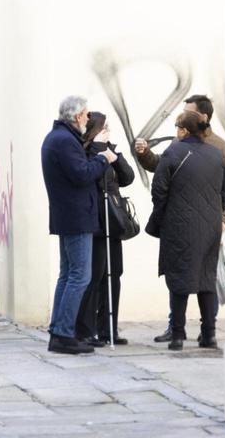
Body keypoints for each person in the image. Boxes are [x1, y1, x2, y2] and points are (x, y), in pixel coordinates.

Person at [135, 93, 225, 343]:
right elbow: (224, 190)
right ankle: (209, 335)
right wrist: (221, 217)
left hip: (179, 224)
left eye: (177, 126)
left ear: (184, 130)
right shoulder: (217, 154)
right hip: (210, 227)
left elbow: (159, 188)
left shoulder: (174, 152)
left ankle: (177, 334)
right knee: (207, 279)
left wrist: (162, 213)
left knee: (179, 278)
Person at [41, 95, 115, 355]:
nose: (87, 119)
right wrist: (103, 158)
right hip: (76, 216)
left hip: (68, 215)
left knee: (68, 274)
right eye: (85, 114)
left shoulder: (58, 138)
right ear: (75, 116)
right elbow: (82, 175)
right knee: (79, 276)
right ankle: (63, 334)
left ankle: (59, 330)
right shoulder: (65, 141)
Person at [75, 112, 135, 346]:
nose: (108, 130)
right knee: (96, 274)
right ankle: (87, 329)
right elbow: (88, 179)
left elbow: (128, 177)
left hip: (114, 219)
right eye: (104, 127)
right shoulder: (84, 152)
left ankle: (109, 329)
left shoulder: (111, 150)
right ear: (93, 130)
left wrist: (114, 156)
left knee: (114, 273)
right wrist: (98, 152)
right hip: (96, 221)